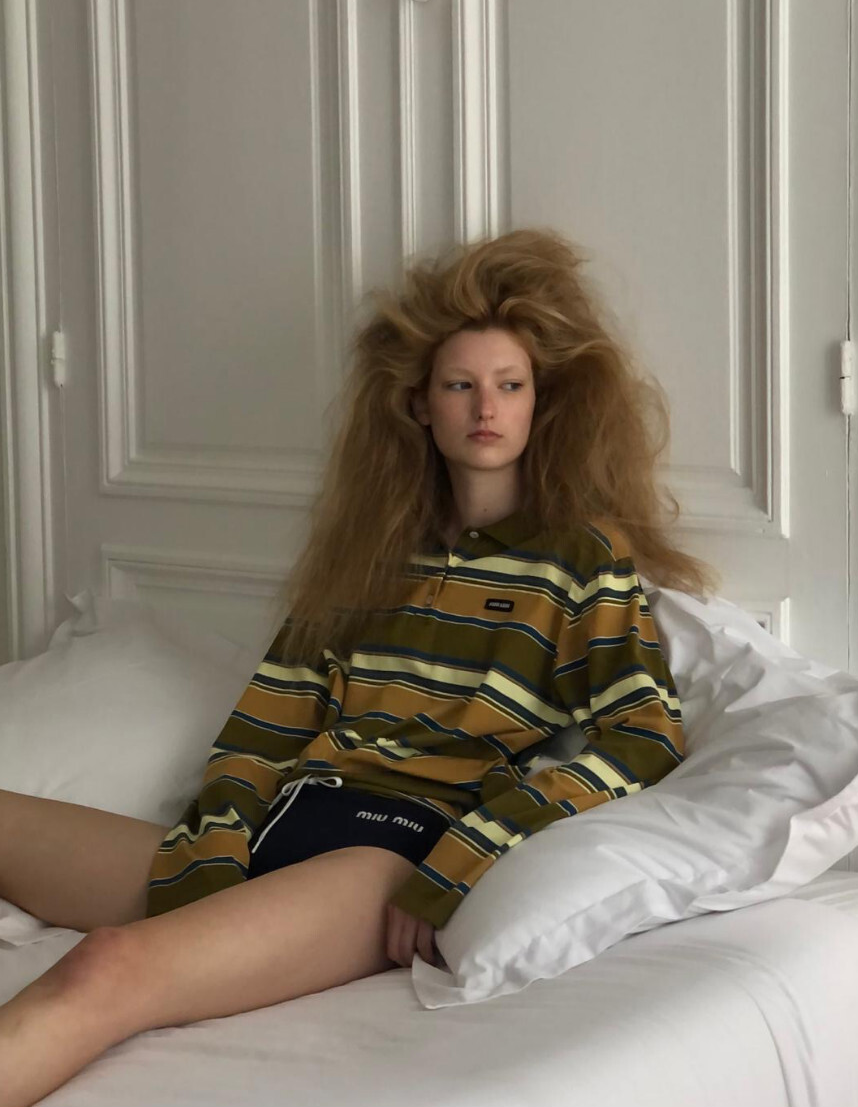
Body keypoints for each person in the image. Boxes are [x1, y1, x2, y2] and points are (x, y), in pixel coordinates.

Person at [0, 227, 719, 1107]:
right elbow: (266, 723)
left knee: (106, 967)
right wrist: (218, 839)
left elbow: (645, 738)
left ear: (541, 402)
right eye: (459, 385)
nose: (486, 407)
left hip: (387, 856)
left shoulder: (580, 559)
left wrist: (467, 854)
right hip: (281, 824)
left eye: (510, 384)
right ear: (419, 404)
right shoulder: (372, 551)